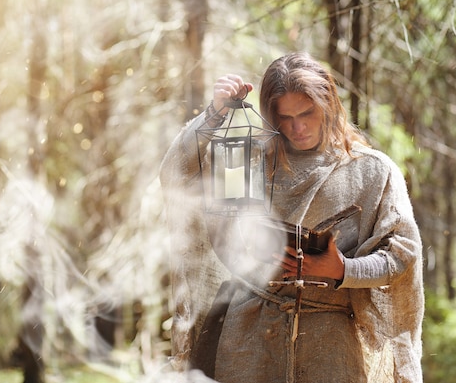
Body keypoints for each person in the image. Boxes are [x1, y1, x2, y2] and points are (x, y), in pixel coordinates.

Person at [160, 52, 424, 383]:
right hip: (246, 344)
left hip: (331, 348)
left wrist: (343, 269)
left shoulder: (371, 171)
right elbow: (177, 174)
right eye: (285, 117)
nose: (297, 128)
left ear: (328, 104)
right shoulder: (247, 161)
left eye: (307, 113)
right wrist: (214, 115)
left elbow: (403, 256)